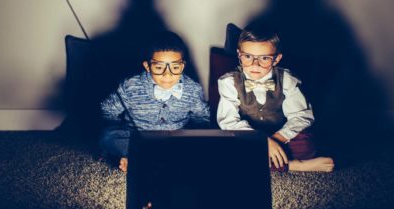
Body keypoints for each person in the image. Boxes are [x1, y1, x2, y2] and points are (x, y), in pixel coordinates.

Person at [217, 24, 334, 172]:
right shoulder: (229, 82)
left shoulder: (287, 79)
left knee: (306, 145)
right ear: (239, 54)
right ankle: (293, 166)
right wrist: (264, 142)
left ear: (277, 59)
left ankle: (268, 161)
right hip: (248, 136)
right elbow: (229, 122)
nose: (255, 64)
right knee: (227, 151)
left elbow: (302, 116)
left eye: (264, 58)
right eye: (248, 57)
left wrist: (276, 140)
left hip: (281, 135)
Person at [99, 31, 210, 172]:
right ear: (147, 66)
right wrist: (116, 129)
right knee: (108, 137)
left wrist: (198, 137)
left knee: (200, 145)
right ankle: (132, 155)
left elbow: (202, 117)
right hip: (137, 138)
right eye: (159, 67)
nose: (167, 74)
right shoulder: (130, 85)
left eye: (175, 67)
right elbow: (108, 110)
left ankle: (149, 159)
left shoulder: (193, 89)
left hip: (174, 139)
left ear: (182, 66)